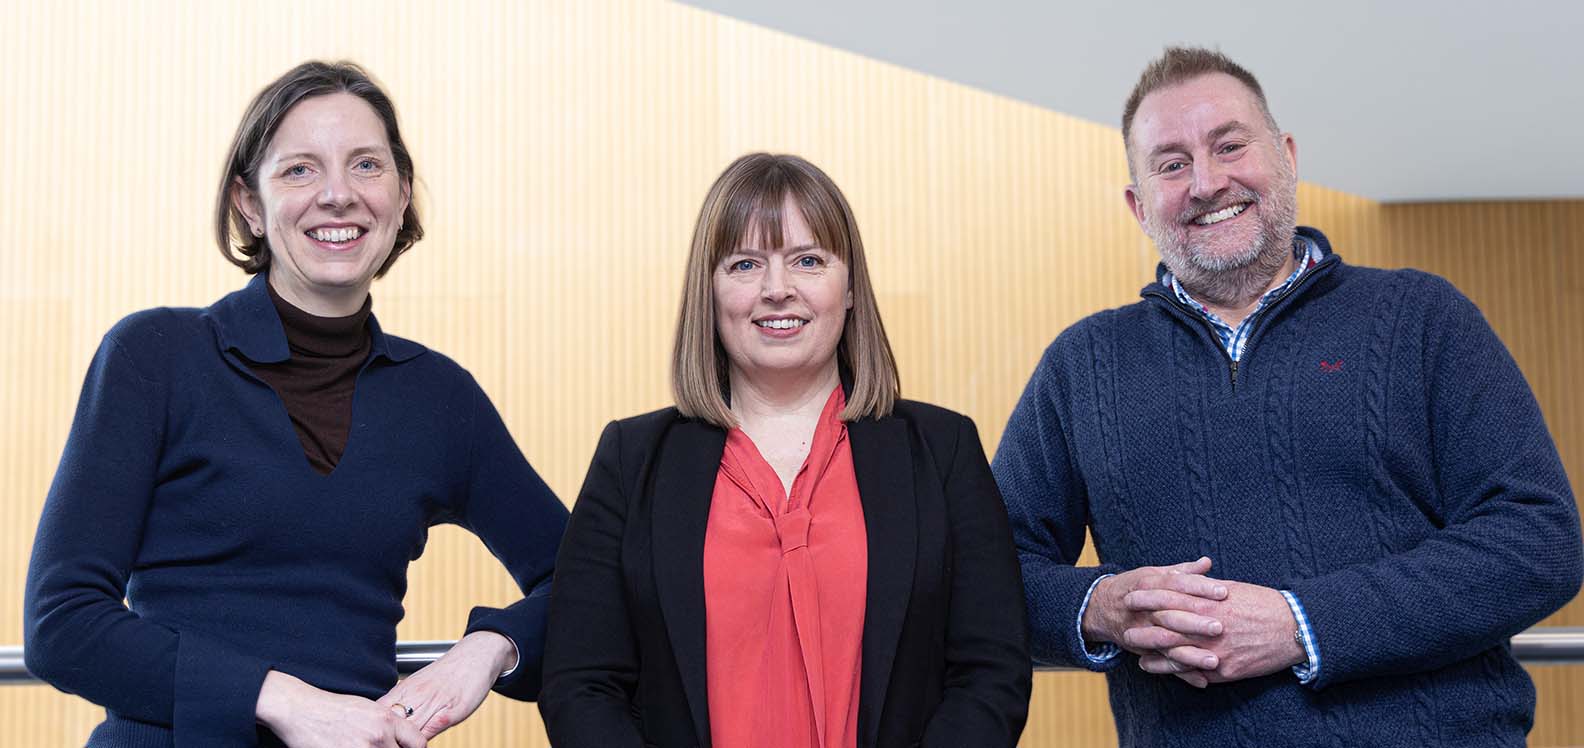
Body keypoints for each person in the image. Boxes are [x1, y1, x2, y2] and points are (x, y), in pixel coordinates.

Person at [992, 46, 1582, 747]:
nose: (1207, 182)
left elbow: (1537, 539)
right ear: (1139, 207)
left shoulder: (1422, 316)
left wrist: (1301, 624)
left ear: (1288, 157)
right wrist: (1099, 606)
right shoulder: (1080, 364)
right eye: (1172, 164)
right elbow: (991, 578)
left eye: (1230, 145)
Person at [23, 61, 569, 748]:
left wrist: (486, 650)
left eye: (366, 166)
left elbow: (587, 586)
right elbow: (61, 625)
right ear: (248, 202)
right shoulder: (154, 356)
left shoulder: (439, 399)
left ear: (401, 197)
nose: (338, 195)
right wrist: (282, 701)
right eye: (300, 170)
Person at [538, 153, 1031, 748]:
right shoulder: (631, 459)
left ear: (849, 289)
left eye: (808, 261)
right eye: (745, 264)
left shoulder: (944, 450)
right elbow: (580, 685)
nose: (777, 290)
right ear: (711, 292)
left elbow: (990, 673)